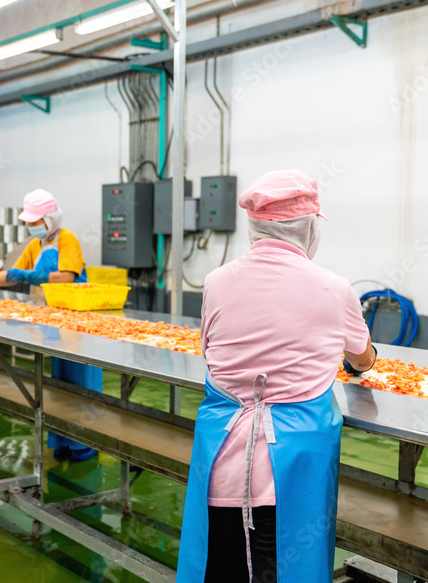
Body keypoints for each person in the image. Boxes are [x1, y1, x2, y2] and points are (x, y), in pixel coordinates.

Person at [177, 169, 376, 583]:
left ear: (255, 228)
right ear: (308, 229)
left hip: (221, 464)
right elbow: (362, 357)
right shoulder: (334, 288)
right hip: (289, 476)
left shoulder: (215, 282)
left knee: (221, 570)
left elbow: (211, 353)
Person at [0, 189, 99, 461]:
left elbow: (67, 276)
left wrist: (31, 276)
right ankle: (62, 439)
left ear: (50, 219)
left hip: (76, 319)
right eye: (29, 222)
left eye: (35, 222)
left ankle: (85, 443)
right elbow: (13, 275)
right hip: (52, 318)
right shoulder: (35, 244)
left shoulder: (67, 239)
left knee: (81, 377)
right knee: (60, 381)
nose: (31, 227)